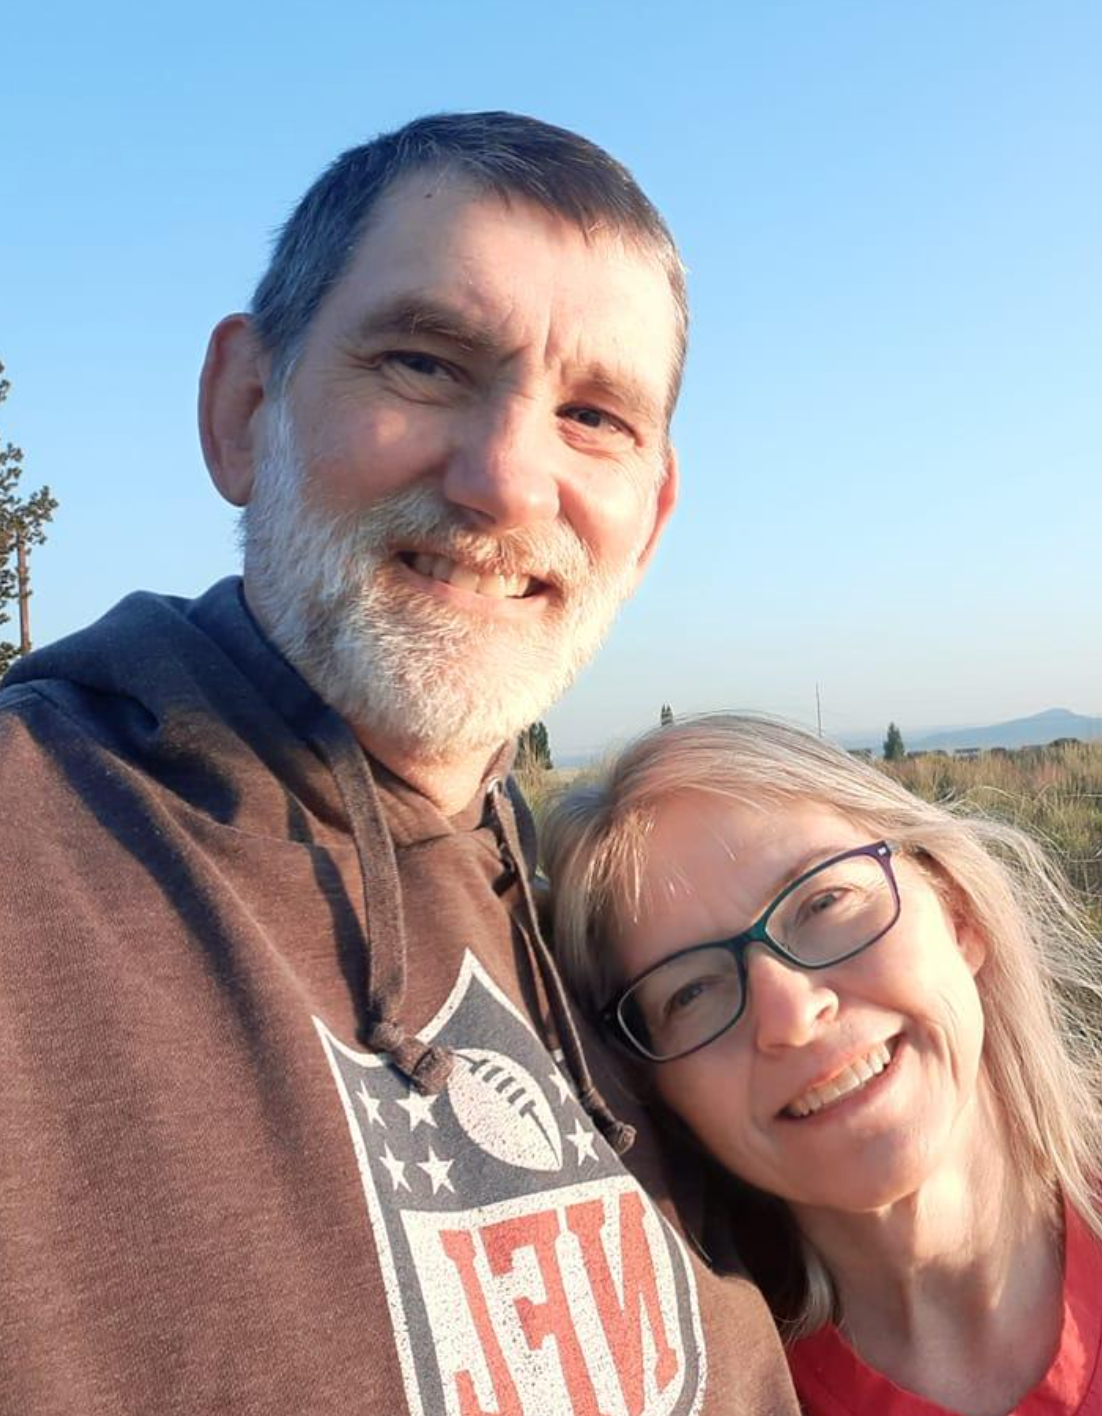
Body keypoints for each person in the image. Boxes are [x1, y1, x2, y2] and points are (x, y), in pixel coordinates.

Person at [0, 115, 800, 1415]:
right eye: (424, 363)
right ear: (243, 409)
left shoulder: (635, 953)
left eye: (593, 416)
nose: (506, 482)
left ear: (649, 520)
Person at [544, 714, 1102, 1416]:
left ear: (957, 912)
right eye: (689, 992)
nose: (791, 1015)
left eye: (823, 902)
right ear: (657, 1090)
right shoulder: (697, 1393)